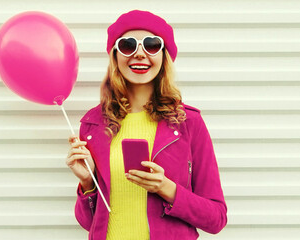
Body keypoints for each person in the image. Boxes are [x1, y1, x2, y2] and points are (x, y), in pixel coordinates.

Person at [66, 10, 227, 240]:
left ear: (163, 56)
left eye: (151, 45)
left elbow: (217, 218)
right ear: (115, 56)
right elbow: (88, 223)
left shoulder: (188, 123)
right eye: (128, 45)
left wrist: (167, 189)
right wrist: (88, 182)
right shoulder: (93, 125)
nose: (139, 54)